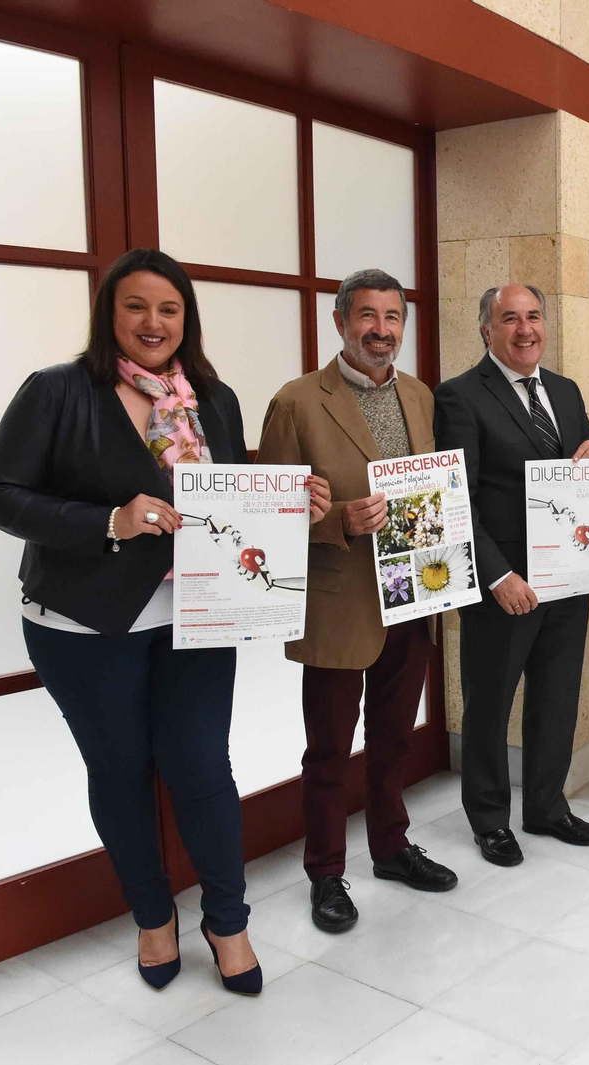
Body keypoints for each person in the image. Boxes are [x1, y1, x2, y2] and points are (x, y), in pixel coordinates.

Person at [0, 248, 331, 995]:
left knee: (202, 765)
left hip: (200, 611)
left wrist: (290, 503)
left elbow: (229, 493)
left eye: (169, 309)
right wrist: (110, 517)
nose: (153, 322)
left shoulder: (213, 395)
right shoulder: (58, 391)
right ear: (110, 313)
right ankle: (152, 916)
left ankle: (227, 920)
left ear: (186, 319)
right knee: (121, 769)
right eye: (136, 306)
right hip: (82, 622)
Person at [257, 268, 458, 933]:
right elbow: (268, 513)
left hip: (413, 593)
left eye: (392, 317)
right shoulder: (296, 402)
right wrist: (338, 519)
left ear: (404, 324)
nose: (380, 330)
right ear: (340, 322)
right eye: (366, 316)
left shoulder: (422, 396)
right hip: (341, 601)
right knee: (329, 750)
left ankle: (392, 847)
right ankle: (325, 871)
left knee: (395, 738)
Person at [433, 284, 589, 866]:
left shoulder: (565, 390)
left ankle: (547, 806)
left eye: (533, 316)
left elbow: (578, 482)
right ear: (487, 329)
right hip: (503, 585)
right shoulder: (459, 396)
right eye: (510, 318)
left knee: (558, 696)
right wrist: (497, 574)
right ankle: (488, 818)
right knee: (489, 702)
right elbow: (459, 498)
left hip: (568, 575)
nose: (525, 329)